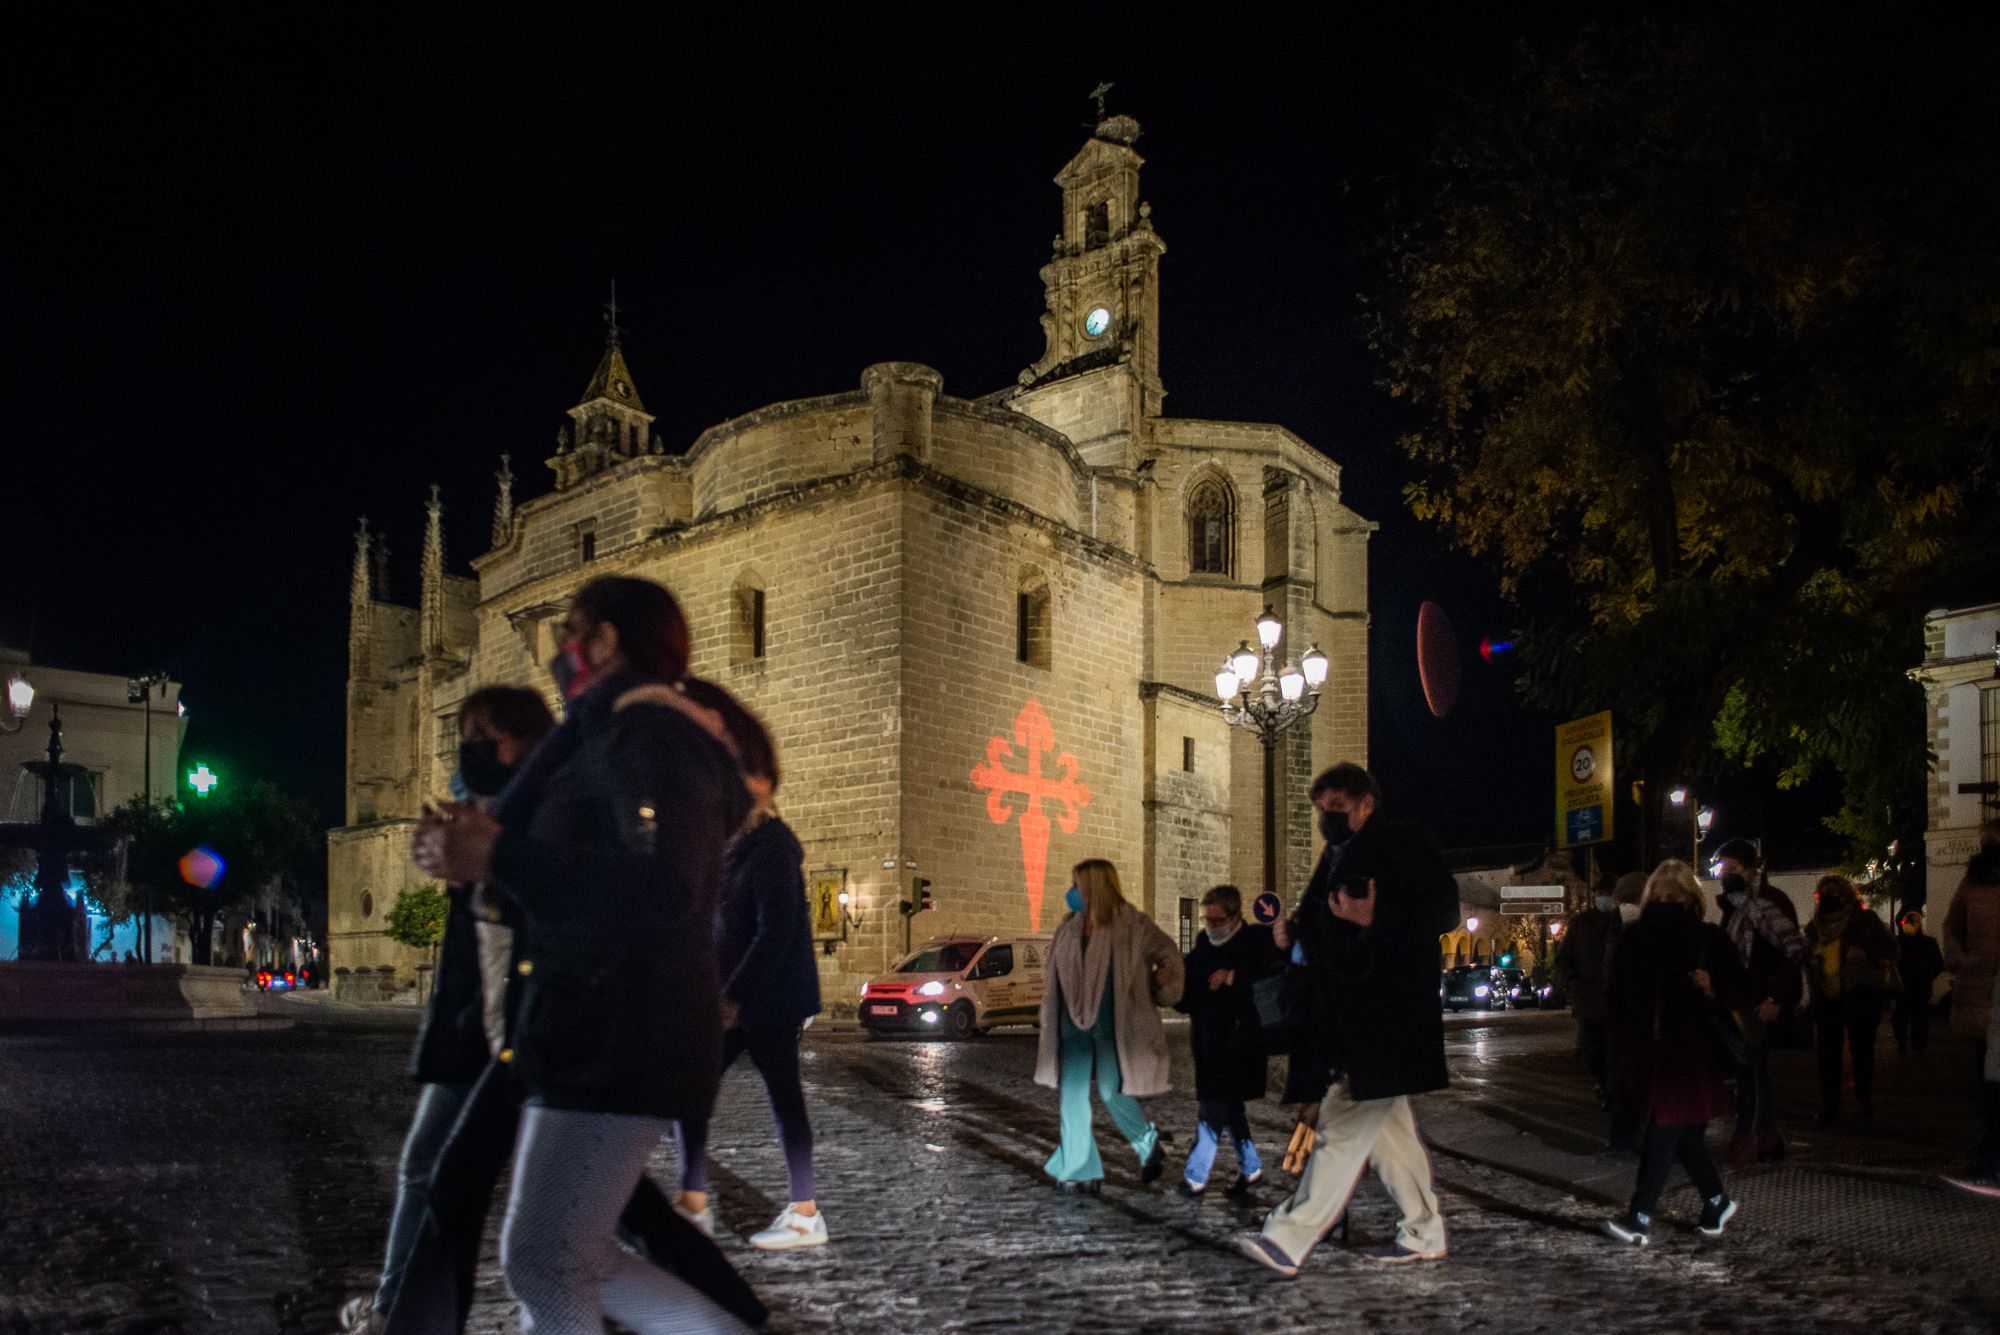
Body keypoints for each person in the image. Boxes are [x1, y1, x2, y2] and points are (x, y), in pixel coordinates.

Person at [412, 576, 757, 1334]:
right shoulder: (606, 735)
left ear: (605, 640)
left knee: (545, 1257)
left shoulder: (653, 734)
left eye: (572, 630)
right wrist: (479, 851)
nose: (561, 650)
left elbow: (666, 888)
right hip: (584, 1024)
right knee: (567, 1254)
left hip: (620, 1029)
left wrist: (500, 856)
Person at [344, 687, 554, 1333]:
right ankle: (399, 1309)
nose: (470, 751)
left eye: (483, 736)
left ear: (519, 740)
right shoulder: (481, 811)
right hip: (475, 1030)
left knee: (570, 1205)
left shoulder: (541, 813)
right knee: (432, 1170)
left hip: (521, 1034)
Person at [1235, 763, 1458, 1275]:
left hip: (1386, 1016)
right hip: (1343, 1016)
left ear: (1365, 804)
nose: (1326, 819)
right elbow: (1321, 924)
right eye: (1321, 810)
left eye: (1336, 808)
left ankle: (1289, 1237)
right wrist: (1291, 940)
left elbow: (1443, 911)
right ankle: (1425, 1231)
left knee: (1341, 1123)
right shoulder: (1336, 855)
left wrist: (1375, 919)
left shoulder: (1404, 843)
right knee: (1390, 1133)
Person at [674, 680, 827, 1251]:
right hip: (733, 999)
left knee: (784, 1101)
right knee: (689, 1093)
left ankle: (805, 1212)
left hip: (765, 1003)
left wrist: (732, 997)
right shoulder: (730, 848)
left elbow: (775, 930)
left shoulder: (774, 847)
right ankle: (692, 1201)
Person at [1599, 860, 1751, 1246]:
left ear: (1690, 898)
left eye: (1675, 896)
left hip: (1690, 1054)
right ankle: (1716, 1200)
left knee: (1664, 1129)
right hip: (1643, 1050)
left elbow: (1738, 987)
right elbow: (1616, 993)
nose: (1665, 902)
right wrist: (1616, 1039)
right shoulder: (1634, 939)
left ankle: (1639, 1216)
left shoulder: (1707, 939)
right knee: (1680, 1133)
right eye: (1659, 895)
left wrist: (1712, 983)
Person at [1034, 858, 1183, 1193]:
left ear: (1094, 887)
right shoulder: (1068, 926)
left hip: (1116, 1026)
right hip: (1071, 1025)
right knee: (1070, 1095)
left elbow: (1167, 951)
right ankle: (1080, 1167)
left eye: (1077, 885)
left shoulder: (1132, 924)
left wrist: (1165, 980)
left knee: (1109, 1091)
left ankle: (1148, 1143)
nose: (1071, 892)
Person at [1172, 884, 1279, 1199]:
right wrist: (1169, 986)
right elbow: (1189, 996)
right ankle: (1251, 1167)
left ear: (1236, 916)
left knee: (1212, 1109)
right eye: (1207, 920)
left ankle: (1196, 1176)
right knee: (1230, 1109)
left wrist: (1234, 977)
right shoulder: (1204, 944)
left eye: (1217, 921)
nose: (1211, 927)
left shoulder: (1256, 941)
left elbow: (1270, 980)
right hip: (1207, 1042)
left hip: (1240, 1044)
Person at [1712, 837, 1806, 1167]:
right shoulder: (1733, 905)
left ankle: (1749, 1138)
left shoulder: (1768, 902)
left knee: (1750, 1070)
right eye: (1722, 867)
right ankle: (1767, 1137)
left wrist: (1776, 997)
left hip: (1760, 999)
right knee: (1753, 1071)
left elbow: (1793, 951)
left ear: (1750, 869)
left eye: (1731, 867)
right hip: (1740, 998)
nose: (1724, 873)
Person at [1802, 874, 1897, 1122]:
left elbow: (1891, 948)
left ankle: (1863, 1101)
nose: (1827, 898)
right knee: (1827, 1054)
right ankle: (1829, 1107)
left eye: (1833, 892)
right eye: (1823, 893)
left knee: (1862, 1051)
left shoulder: (1865, 920)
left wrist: (1865, 953)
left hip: (1860, 994)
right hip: (1827, 996)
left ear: (1846, 896)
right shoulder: (1815, 927)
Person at [1554, 871, 1638, 1109]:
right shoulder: (1581, 923)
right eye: (1600, 893)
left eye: (1607, 893)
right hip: (1589, 1000)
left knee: (1615, 1051)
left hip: (1617, 1000)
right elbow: (1564, 958)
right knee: (1592, 1049)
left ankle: (1614, 1093)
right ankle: (1602, 1083)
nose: (1603, 897)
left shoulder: (1626, 922)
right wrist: (1572, 982)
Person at [1892, 910, 1944, 1057]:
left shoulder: (1899, 943)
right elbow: (1938, 964)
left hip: (1906, 985)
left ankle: (1903, 1043)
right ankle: (1918, 1046)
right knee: (1918, 1017)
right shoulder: (1928, 943)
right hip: (1920, 986)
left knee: (1902, 1016)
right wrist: (1928, 977)